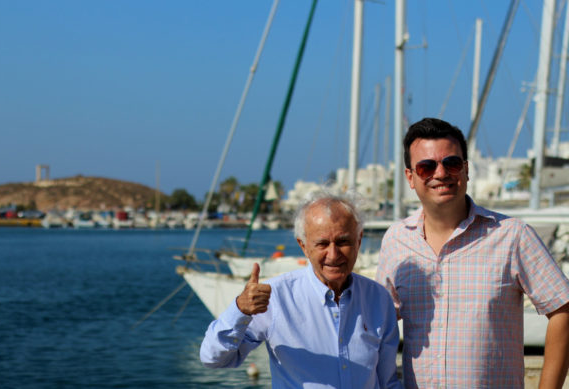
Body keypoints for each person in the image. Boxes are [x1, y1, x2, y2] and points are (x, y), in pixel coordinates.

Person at [376, 117, 569, 388]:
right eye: (426, 166)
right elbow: (376, 323)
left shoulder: (512, 235)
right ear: (410, 177)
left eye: (451, 163)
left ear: (466, 170)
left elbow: (563, 308)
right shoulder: (396, 241)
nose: (441, 173)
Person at [200, 190, 403, 388]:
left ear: (358, 241)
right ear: (303, 246)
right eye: (322, 244)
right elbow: (213, 358)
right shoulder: (276, 297)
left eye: (343, 242)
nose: (333, 255)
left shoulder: (379, 299)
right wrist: (240, 310)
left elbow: (387, 381)